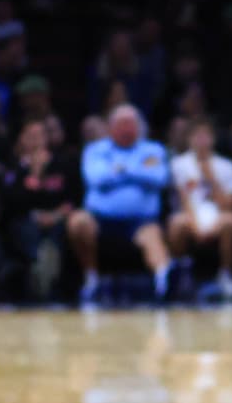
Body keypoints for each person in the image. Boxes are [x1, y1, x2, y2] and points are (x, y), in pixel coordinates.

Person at [68, 105, 172, 303]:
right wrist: (137, 171)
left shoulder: (152, 150)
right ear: (111, 127)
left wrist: (120, 169)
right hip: (100, 220)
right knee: (77, 222)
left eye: (131, 124)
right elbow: (96, 178)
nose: (126, 129)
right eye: (122, 124)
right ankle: (91, 279)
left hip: (141, 222)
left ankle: (162, 289)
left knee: (153, 240)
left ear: (139, 127)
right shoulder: (96, 150)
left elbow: (158, 177)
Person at [0, 119, 78, 300]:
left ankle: (45, 268)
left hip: (57, 219)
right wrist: (35, 173)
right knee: (26, 229)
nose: (35, 141)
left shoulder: (63, 164)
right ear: (22, 140)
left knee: (58, 232)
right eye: (30, 136)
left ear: (46, 139)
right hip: (27, 220)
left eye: (40, 135)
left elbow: (73, 199)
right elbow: (12, 204)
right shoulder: (14, 168)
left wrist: (55, 215)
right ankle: (40, 268)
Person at [168, 119, 232, 301]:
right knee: (176, 223)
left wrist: (210, 178)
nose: (201, 140)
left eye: (205, 135)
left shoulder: (228, 167)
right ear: (189, 139)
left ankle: (225, 275)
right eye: (197, 135)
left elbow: (230, 205)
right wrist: (198, 228)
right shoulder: (179, 164)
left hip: (218, 217)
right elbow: (184, 201)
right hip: (191, 216)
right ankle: (183, 273)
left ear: (213, 139)